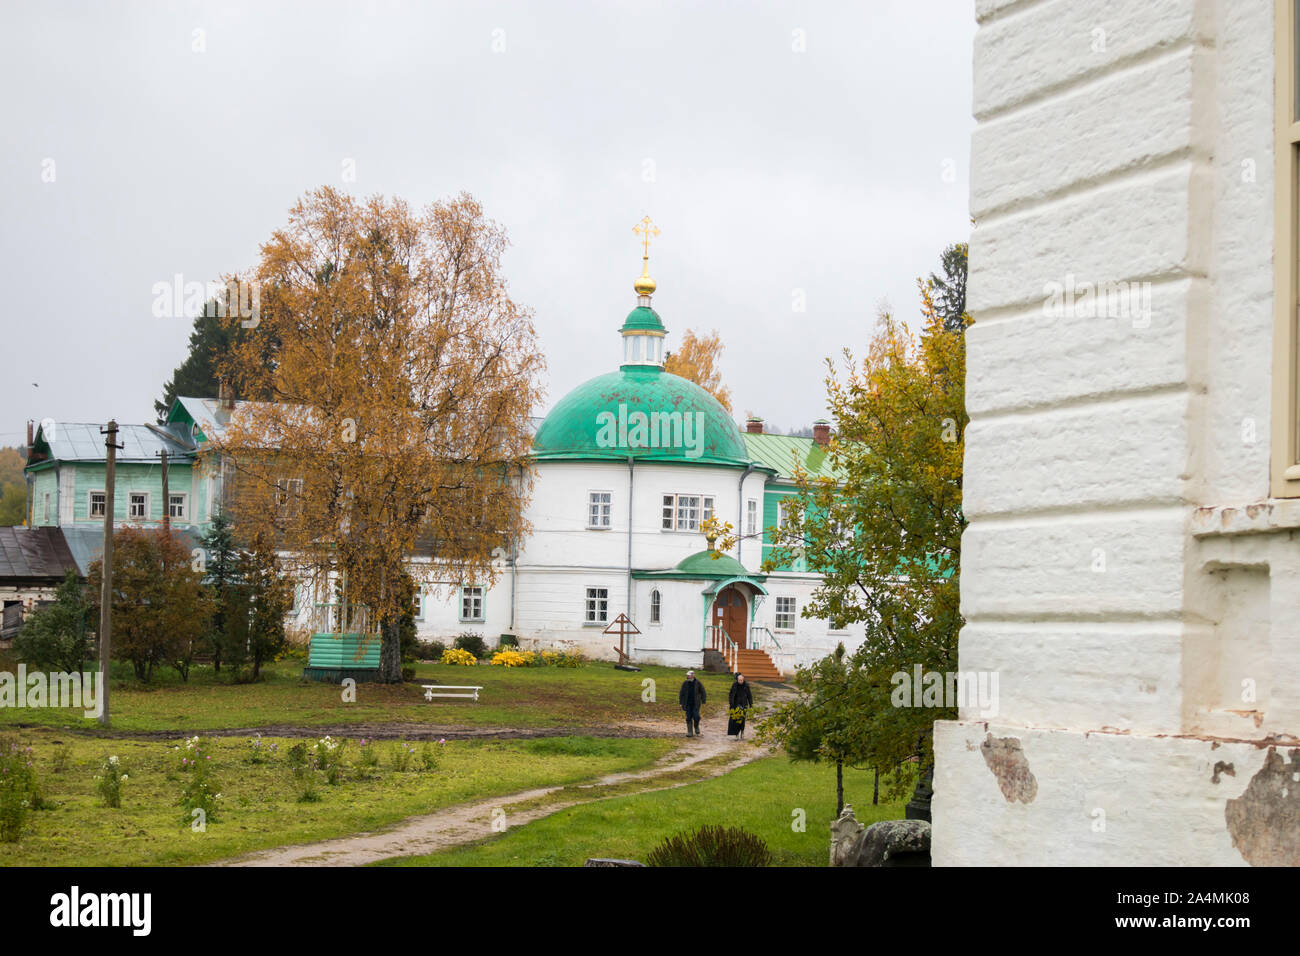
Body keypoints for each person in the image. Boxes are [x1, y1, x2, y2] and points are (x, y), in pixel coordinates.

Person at [678, 670, 707, 737]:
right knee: (688, 717)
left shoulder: (698, 683)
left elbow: (703, 691)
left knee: (696, 716)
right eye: (687, 675)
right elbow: (681, 693)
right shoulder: (685, 683)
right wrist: (681, 702)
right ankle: (690, 732)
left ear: (692, 675)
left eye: (689, 675)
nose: (687, 676)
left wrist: (703, 700)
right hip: (687, 703)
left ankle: (696, 727)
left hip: (695, 703)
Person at [727, 673, 754, 738]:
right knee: (736, 719)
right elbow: (731, 695)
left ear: (743, 680)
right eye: (739, 680)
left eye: (741, 680)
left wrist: (751, 705)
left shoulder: (746, 685)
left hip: (744, 704)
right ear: (737, 680)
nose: (740, 681)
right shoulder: (734, 685)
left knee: (742, 719)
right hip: (736, 704)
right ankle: (736, 733)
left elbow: (749, 696)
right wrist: (731, 704)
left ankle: (742, 731)